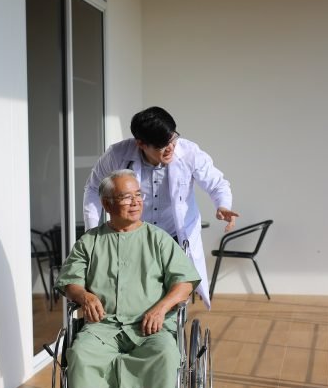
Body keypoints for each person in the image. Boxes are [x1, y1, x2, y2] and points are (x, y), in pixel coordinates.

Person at [55, 170, 200, 388]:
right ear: (108, 205)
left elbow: (184, 283)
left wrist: (161, 308)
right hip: (102, 326)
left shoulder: (158, 239)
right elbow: (69, 280)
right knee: (80, 353)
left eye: (138, 195)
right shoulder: (90, 241)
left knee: (167, 354)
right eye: (126, 197)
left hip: (151, 326)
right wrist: (83, 295)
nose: (135, 202)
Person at [83, 106, 237, 306]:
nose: (171, 147)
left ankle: (170, 331)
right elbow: (93, 188)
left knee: (175, 294)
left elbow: (217, 184)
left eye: (173, 139)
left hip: (174, 235)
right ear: (141, 144)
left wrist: (222, 205)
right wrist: (92, 231)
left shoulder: (189, 152)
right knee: (136, 291)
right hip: (134, 235)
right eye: (162, 145)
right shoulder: (118, 154)